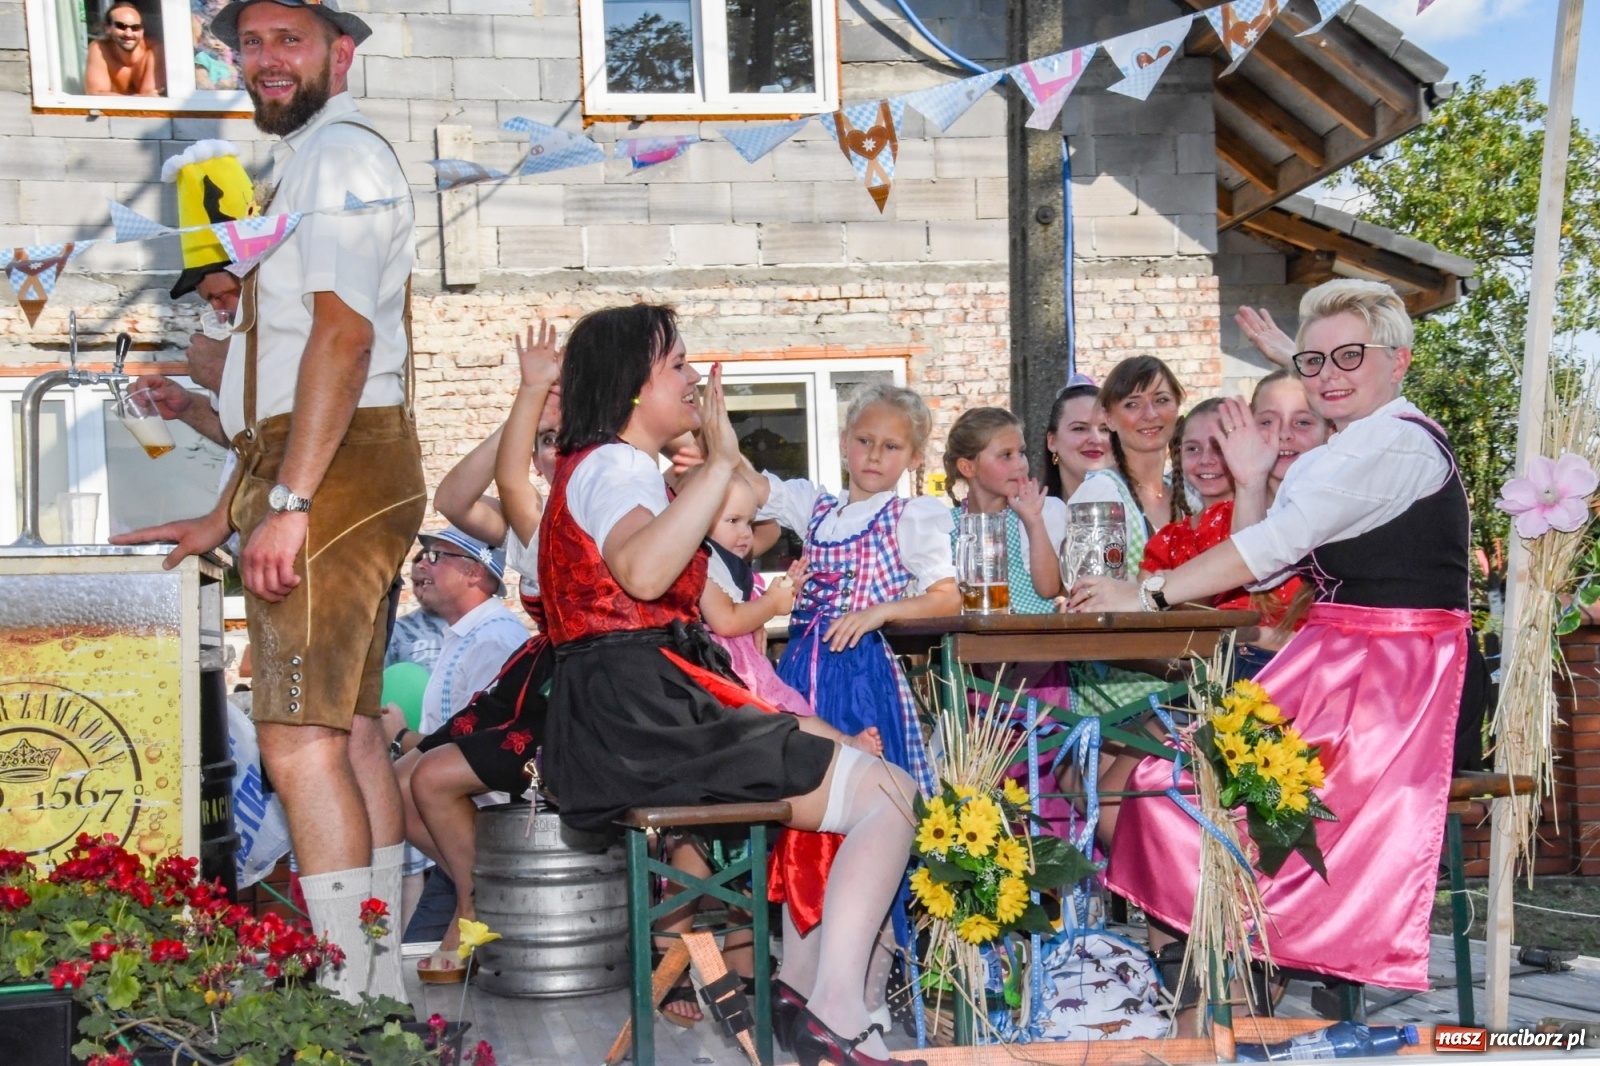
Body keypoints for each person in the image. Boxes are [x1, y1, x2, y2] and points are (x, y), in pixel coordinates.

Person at [114, 0, 422, 1003]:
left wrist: (289, 496)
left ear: (342, 51)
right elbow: (290, 367)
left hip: (330, 468)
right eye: (250, 42)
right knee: (355, 730)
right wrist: (231, 506)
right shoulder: (310, 164)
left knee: (297, 740)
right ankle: (378, 988)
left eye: (289, 39)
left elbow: (342, 340)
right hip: (328, 466)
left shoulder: (336, 157)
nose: (265, 60)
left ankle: (352, 998)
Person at [1070, 279, 1482, 1001]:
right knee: (1162, 782)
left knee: (1189, 791)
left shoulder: (1396, 446)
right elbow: (1269, 553)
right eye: (1314, 362)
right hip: (1343, 662)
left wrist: (1145, 593)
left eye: (1349, 356)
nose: (1329, 375)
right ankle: (1223, 976)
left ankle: (1239, 971)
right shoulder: (1357, 443)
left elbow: (1275, 546)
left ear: (1400, 360)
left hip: (1401, 680)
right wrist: (1256, 475)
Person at [539, 304, 922, 1065]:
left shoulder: (597, 468)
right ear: (631, 388)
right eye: (676, 365)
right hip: (646, 710)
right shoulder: (614, 465)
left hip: (633, 707)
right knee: (889, 797)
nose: (692, 378)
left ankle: (809, 993)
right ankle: (835, 1008)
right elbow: (644, 573)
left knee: (864, 775)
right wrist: (719, 461)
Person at [382, 528, 527, 980]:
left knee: (410, 778)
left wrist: (400, 737)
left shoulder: (494, 638)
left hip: (491, 824)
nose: (419, 566)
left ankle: (478, 902)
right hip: (461, 831)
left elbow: (482, 744)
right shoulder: (468, 633)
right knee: (401, 783)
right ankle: (478, 896)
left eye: (434, 556)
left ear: (474, 572)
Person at [1066, 356, 1190, 573]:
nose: (1150, 414)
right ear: (1109, 418)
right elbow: (1094, 593)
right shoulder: (1101, 495)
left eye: (1161, 400)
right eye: (1132, 404)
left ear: (1177, 406)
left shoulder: (1190, 494)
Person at [944, 406, 1066, 615]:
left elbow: (1048, 589)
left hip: (1033, 636)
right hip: (973, 640)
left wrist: (1033, 520)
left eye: (1022, 453)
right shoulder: (946, 526)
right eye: (1006, 455)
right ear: (968, 467)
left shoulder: (1041, 511)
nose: (1020, 464)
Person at [1042, 378, 1112, 502]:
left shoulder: (1139, 512)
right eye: (1079, 428)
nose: (1096, 439)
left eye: (1105, 429)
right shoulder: (1029, 515)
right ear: (1052, 441)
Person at [85, 0, 166, 96]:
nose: (128, 34)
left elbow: (149, 102)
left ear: (142, 31)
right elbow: (95, 94)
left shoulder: (154, 50)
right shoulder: (99, 48)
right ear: (108, 28)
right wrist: (139, 98)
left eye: (135, 27)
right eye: (121, 26)